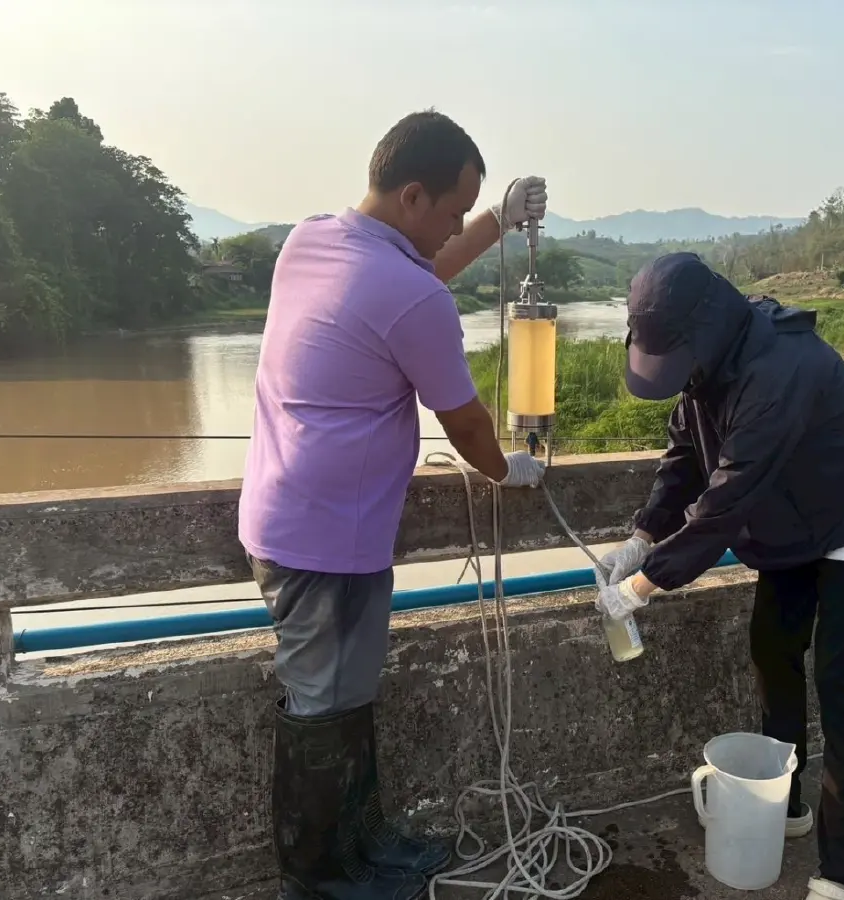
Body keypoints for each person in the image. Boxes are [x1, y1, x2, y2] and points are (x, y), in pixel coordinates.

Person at [238, 110, 549, 900]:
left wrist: (492, 223)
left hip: (291, 518)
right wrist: (503, 471)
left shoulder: (311, 240)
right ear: (414, 195)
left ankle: (362, 842)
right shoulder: (409, 295)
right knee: (323, 703)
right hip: (326, 539)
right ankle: (319, 878)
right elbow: (468, 419)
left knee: (342, 695)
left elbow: (413, 280)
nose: (452, 230)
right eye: (449, 213)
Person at [594, 251, 844, 900]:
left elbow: (722, 509)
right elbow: (685, 455)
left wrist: (642, 585)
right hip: (792, 525)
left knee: (843, 686)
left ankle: (842, 874)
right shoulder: (707, 365)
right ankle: (786, 804)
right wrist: (642, 534)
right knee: (773, 650)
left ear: (705, 327)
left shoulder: (779, 370)